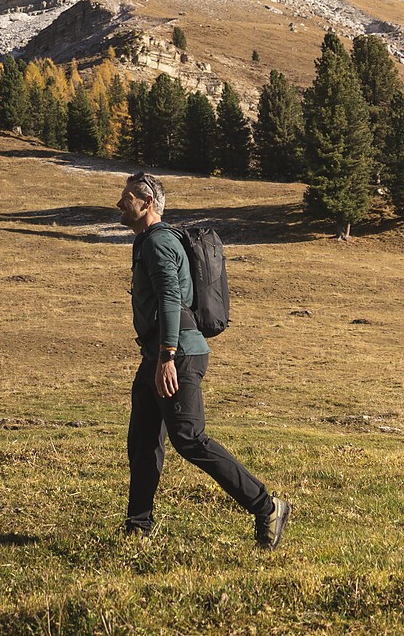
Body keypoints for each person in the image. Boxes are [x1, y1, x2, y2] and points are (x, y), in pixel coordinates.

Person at [119, 171, 291, 547]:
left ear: (146, 203)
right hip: (158, 353)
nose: (120, 203)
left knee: (189, 438)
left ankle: (267, 506)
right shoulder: (149, 241)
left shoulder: (159, 242)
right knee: (143, 440)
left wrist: (166, 356)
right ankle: (137, 527)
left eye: (127, 196)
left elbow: (168, 296)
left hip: (176, 354)